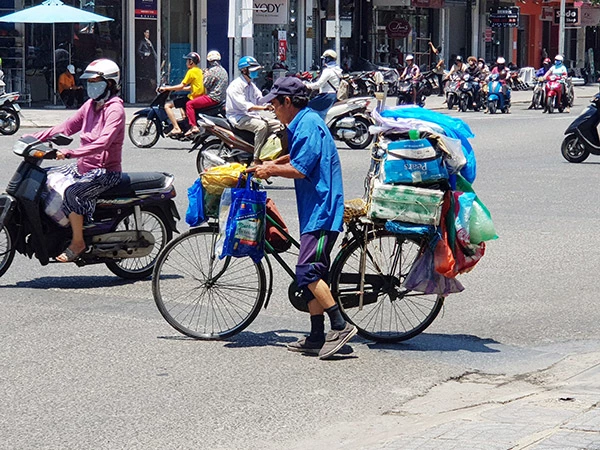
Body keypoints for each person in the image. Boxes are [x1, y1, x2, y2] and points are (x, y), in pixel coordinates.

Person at [247, 77, 357, 359]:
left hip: (323, 210)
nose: (272, 107)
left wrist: (269, 171)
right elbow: (295, 157)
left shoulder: (307, 124)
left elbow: (301, 168)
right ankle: (316, 336)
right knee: (312, 273)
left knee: (307, 272)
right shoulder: (303, 121)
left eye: (275, 102)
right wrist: (269, 163)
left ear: (287, 101)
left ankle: (339, 325)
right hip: (315, 209)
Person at [31, 59, 124, 263]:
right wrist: (35, 137)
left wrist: (71, 152)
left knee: (72, 192)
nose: (90, 85)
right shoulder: (91, 105)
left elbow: (103, 143)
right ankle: (58, 228)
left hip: (105, 172)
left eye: (94, 81)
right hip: (83, 167)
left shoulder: (115, 109)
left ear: (109, 83)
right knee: (45, 177)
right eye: (88, 81)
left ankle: (78, 241)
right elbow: (66, 127)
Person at [226, 55, 280, 164]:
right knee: (261, 126)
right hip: (238, 118)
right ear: (244, 70)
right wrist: (265, 107)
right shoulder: (235, 86)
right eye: (253, 70)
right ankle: (256, 159)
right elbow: (247, 106)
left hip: (252, 116)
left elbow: (260, 99)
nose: (256, 73)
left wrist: (275, 102)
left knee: (279, 125)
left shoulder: (251, 85)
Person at [159, 52, 205, 136]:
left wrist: (167, 88)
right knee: (181, 99)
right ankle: (185, 122)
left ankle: (176, 128)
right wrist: (178, 89)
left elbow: (181, 85)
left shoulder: (191, 71)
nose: (186, 62)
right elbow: (193, 87)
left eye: (187, 60)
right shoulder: (199, 71)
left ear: (191, 61)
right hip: (199, 97)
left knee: (167, 105)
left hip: (192, 98)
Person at [184, 50, 229, 136]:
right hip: (221, 98)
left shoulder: (212, 71)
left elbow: (206, 84)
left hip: (213, 97)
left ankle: (193, 126)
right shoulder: (223, 70)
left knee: (189, 104)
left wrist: (205, 74)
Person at [304, 49, 342, 119]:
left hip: (326, 96)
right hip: (332, 95)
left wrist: (307, 85)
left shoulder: (328, 71)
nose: (323, 61)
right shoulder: (336, 69)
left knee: (308, 106)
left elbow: (318, 84)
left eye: (324, 59)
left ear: (327, 59)